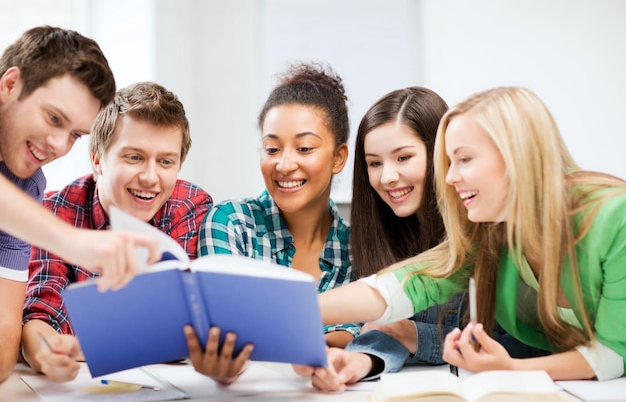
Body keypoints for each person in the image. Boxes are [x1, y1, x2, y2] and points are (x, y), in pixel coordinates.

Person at [316, 86, 626, 385]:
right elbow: (411, 283)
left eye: (464, 159)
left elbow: (613, 355)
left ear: (516, 155)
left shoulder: (614, 218)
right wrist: (303, 310)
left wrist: (512, 369)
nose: (449, 177)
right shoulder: (494, 231)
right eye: (449, 162)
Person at [21, 81, 213, 382]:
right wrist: (46, 351)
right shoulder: (55, 210)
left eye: (165, 161)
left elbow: (178, 327)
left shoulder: (189, 205)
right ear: (98, 159)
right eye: (134, 157)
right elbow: (42, 315)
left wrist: (86, 344)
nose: (150, 177)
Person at [0, 26, 160, 382]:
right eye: (53, 118)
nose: (58, 144)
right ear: (9, 85)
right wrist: (74, 242)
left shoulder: (26, 188)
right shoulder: (37, 212)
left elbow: (4, 344)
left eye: (74, 134)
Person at [188, 62, 354, 385]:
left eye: (304, 148)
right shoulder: (230, 223)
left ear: (338, 157)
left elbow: (359, 336)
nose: (284, 164)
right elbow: (225, 330)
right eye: (271, 148)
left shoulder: (357, 248)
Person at [294, 87, 465, 390]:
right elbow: (384, 326)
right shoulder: (380, 234)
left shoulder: (476, 228)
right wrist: (360, 361)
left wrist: (415, 335)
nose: (387, 177)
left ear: (441, 154)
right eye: (374, 163)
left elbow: (494, 338)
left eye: (403, 157)